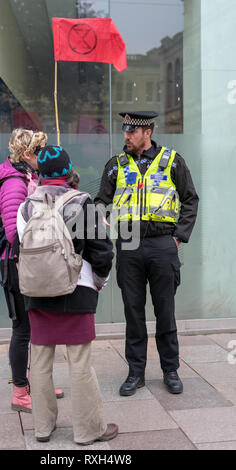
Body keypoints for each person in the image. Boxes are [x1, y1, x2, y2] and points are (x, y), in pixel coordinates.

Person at [17, 145, 118, 445]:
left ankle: (43, 428)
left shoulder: (26, 207)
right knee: (80, 363)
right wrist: (99, 282)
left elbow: (20, 245)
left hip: (37, 293)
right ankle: (89, 430)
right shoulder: (83, 204)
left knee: (40, 362)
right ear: (69, 171)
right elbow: (102, 252)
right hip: (77, 291)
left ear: (41, 174)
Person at [94, 111, 199, 396]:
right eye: (125, 131)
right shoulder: (115, 166)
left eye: (131, 132)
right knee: (133, 311)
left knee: (165, 310)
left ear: (146, 132)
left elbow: (190, 199)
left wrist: (179, 236)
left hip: (163, 243)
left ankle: (170, 369)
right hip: (128, 244)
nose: (126, 137)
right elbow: (101, 201)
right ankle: (135, 372)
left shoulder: (172, 161)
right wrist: (101, 218)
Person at [0, 129, 64, 413]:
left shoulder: (29, 177)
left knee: (35, 327)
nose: (44, 155)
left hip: (29, 263)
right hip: (16, 265)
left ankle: (38, 384)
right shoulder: (13, 182)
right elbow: (14, 233)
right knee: (22, 330)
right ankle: (20, 393)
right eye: (40, 151)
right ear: (26, 155)